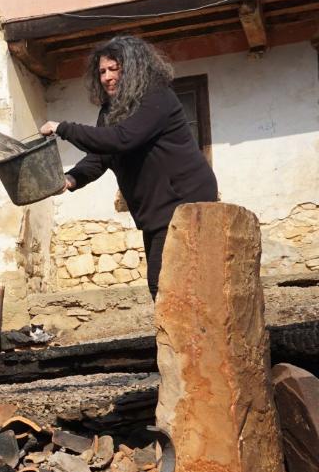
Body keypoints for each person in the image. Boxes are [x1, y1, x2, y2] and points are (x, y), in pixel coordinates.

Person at [39, 35, 218, 299]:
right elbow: (101, 156)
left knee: (167, 285)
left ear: (134, 68)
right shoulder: (111, 110)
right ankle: (180, 339)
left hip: (184, 201)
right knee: (163, 286)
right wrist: (71, 179)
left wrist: (63, 128)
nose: (107, 77)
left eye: (114, 69)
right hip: (155, 211)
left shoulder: (157, 97)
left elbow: (123, 138)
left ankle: (189, 339)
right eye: (102, 71)